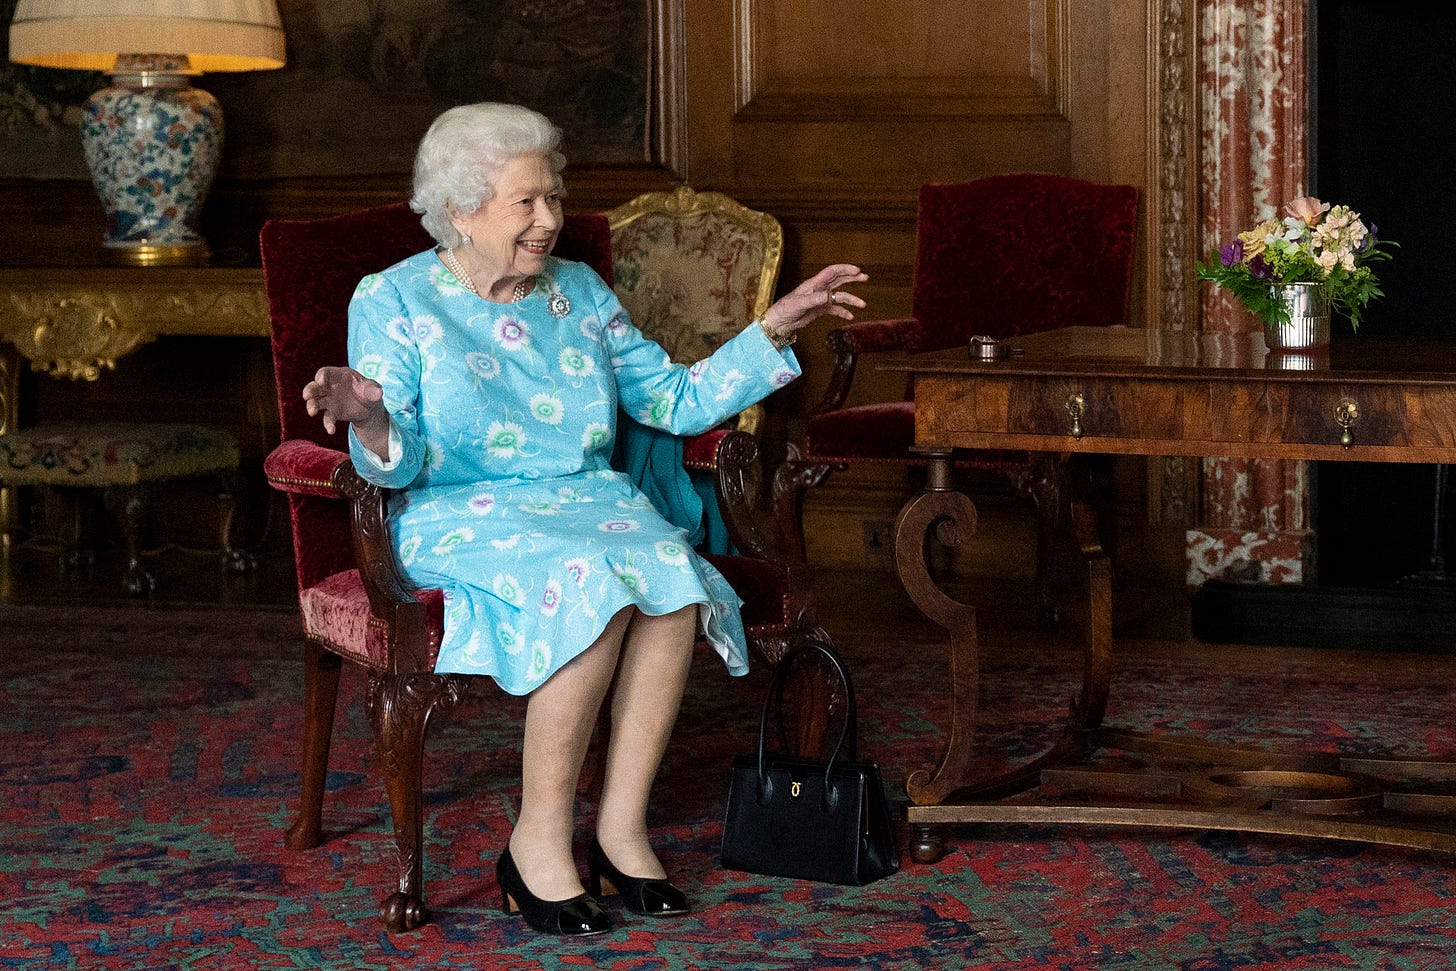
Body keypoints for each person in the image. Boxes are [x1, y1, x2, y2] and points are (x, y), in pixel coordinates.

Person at [302, 102, 866, 937]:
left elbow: (672, 399)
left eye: (553, 199)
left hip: (587, 505)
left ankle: (620, 827)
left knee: (672, 579)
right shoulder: (394, 298)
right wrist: (369, 417)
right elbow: (400, 460)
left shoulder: (579, 291)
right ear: (460, 209)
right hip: (461, 515)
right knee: (597, 584)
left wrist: (770, 330)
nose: (549, 220)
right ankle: (536, 839)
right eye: (524, 203)